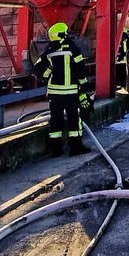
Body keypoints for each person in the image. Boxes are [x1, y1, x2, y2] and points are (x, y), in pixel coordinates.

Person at [38, 22, 90, 157]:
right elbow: (80, 69)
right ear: (62, 34)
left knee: (56, 121)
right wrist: (83, 87)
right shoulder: (73, 49)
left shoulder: (49, 51)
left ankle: (56, 150)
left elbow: (38, 68)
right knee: (74, 120)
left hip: (54, 94)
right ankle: (75, 148)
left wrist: (47, 74)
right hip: (70, 93)